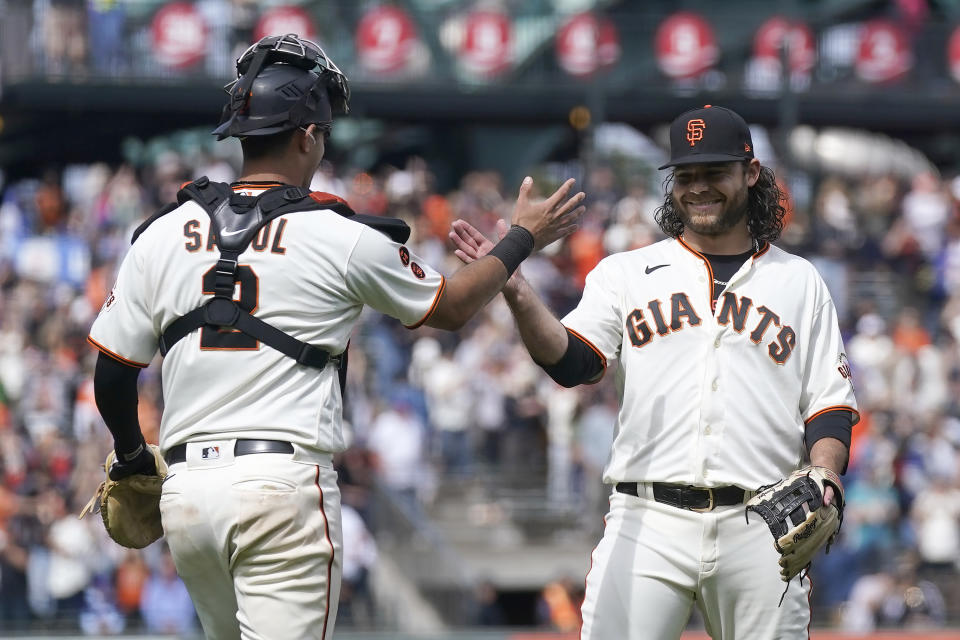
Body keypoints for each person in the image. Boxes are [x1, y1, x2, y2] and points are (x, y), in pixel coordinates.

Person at [86, 33, 584, 640]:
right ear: (306, 134)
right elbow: (450, 307)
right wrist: (522, 237)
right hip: (281, 489)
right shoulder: (335, 232)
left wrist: (135, 460)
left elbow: (112, 374)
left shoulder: (161, 233)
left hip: (189, 497)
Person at [451, 104, 859, 639]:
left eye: (714, 172)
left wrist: (825, 473)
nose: (699, 188)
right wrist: (519, 293)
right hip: (649, 521)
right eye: (686, 176)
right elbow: (574, 362)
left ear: (750, 173)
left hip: (762, 525)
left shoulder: (799, 280)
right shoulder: (626, 272)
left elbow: (829, 406)